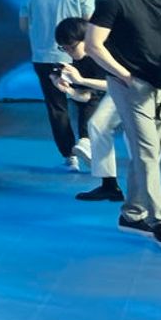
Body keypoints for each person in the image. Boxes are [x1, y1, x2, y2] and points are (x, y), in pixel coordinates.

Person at [83, 0, 161, 242]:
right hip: (130, 85)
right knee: (146, 152)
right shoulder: (114, 1)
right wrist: (125, 75)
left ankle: (132, 214)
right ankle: (158, 220)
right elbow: (93, 45)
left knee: (150, 154)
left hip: (159, 84)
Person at [20, 0, 96, 171]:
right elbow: (90, 23)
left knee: (56, 107)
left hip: (44, 56)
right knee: (88, 99)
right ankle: (85, 140)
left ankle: (69, 156)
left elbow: (24, 26)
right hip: (78, 54)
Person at [53, 18, 125, 202]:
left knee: (142, 146)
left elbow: (120, 81)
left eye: (71, 47)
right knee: (97, 126)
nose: (69, 52)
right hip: (117, 94)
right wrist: (68, 89)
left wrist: (81, 80)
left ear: (85, 39)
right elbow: (85, 96)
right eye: (64, 48)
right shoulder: (80, 60)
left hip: (136, 91)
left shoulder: (103, 51)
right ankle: (109, 185)